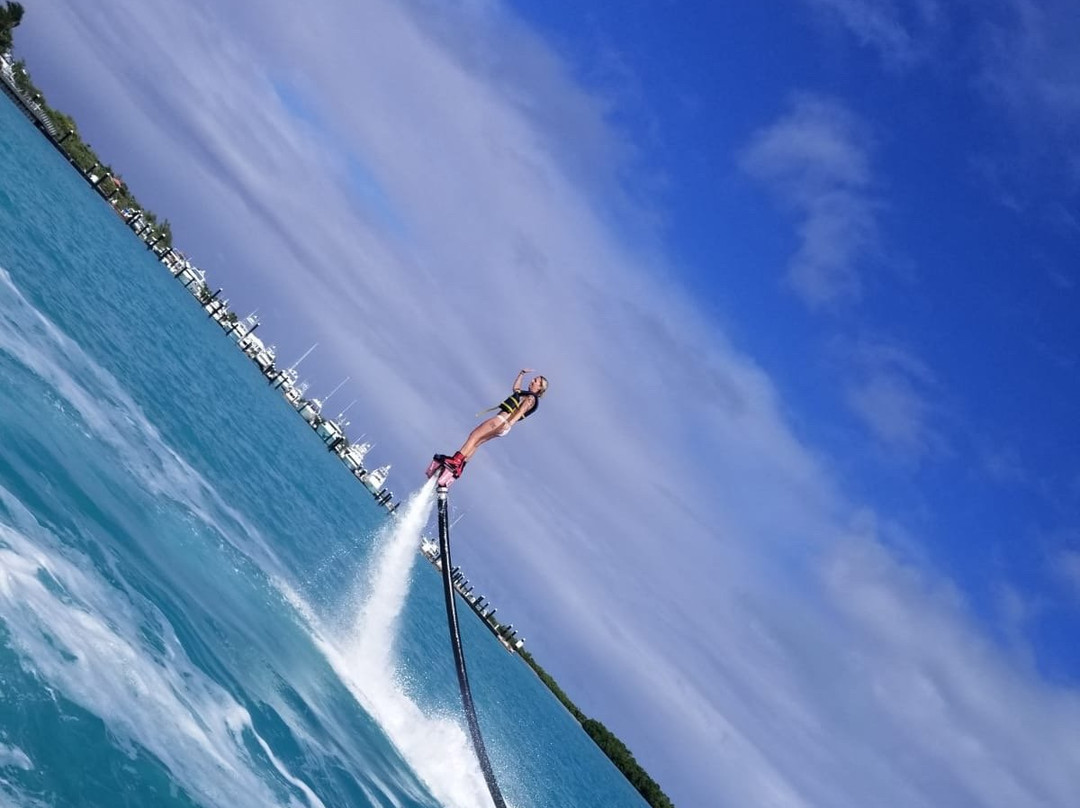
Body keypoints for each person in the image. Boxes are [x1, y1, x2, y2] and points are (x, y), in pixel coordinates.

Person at [433, 369, 548, 479]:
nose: (532, 381)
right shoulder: (527, 395)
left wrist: (510, 423)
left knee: (474, 436)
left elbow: (522, 410)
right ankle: (459, 467)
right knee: (477, 442)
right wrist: (521, 373)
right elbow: (516, 389)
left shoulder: (530, 398)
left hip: (501, 421)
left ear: (540, 388)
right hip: (503, 426)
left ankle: (456, 461)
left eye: (536, 381)